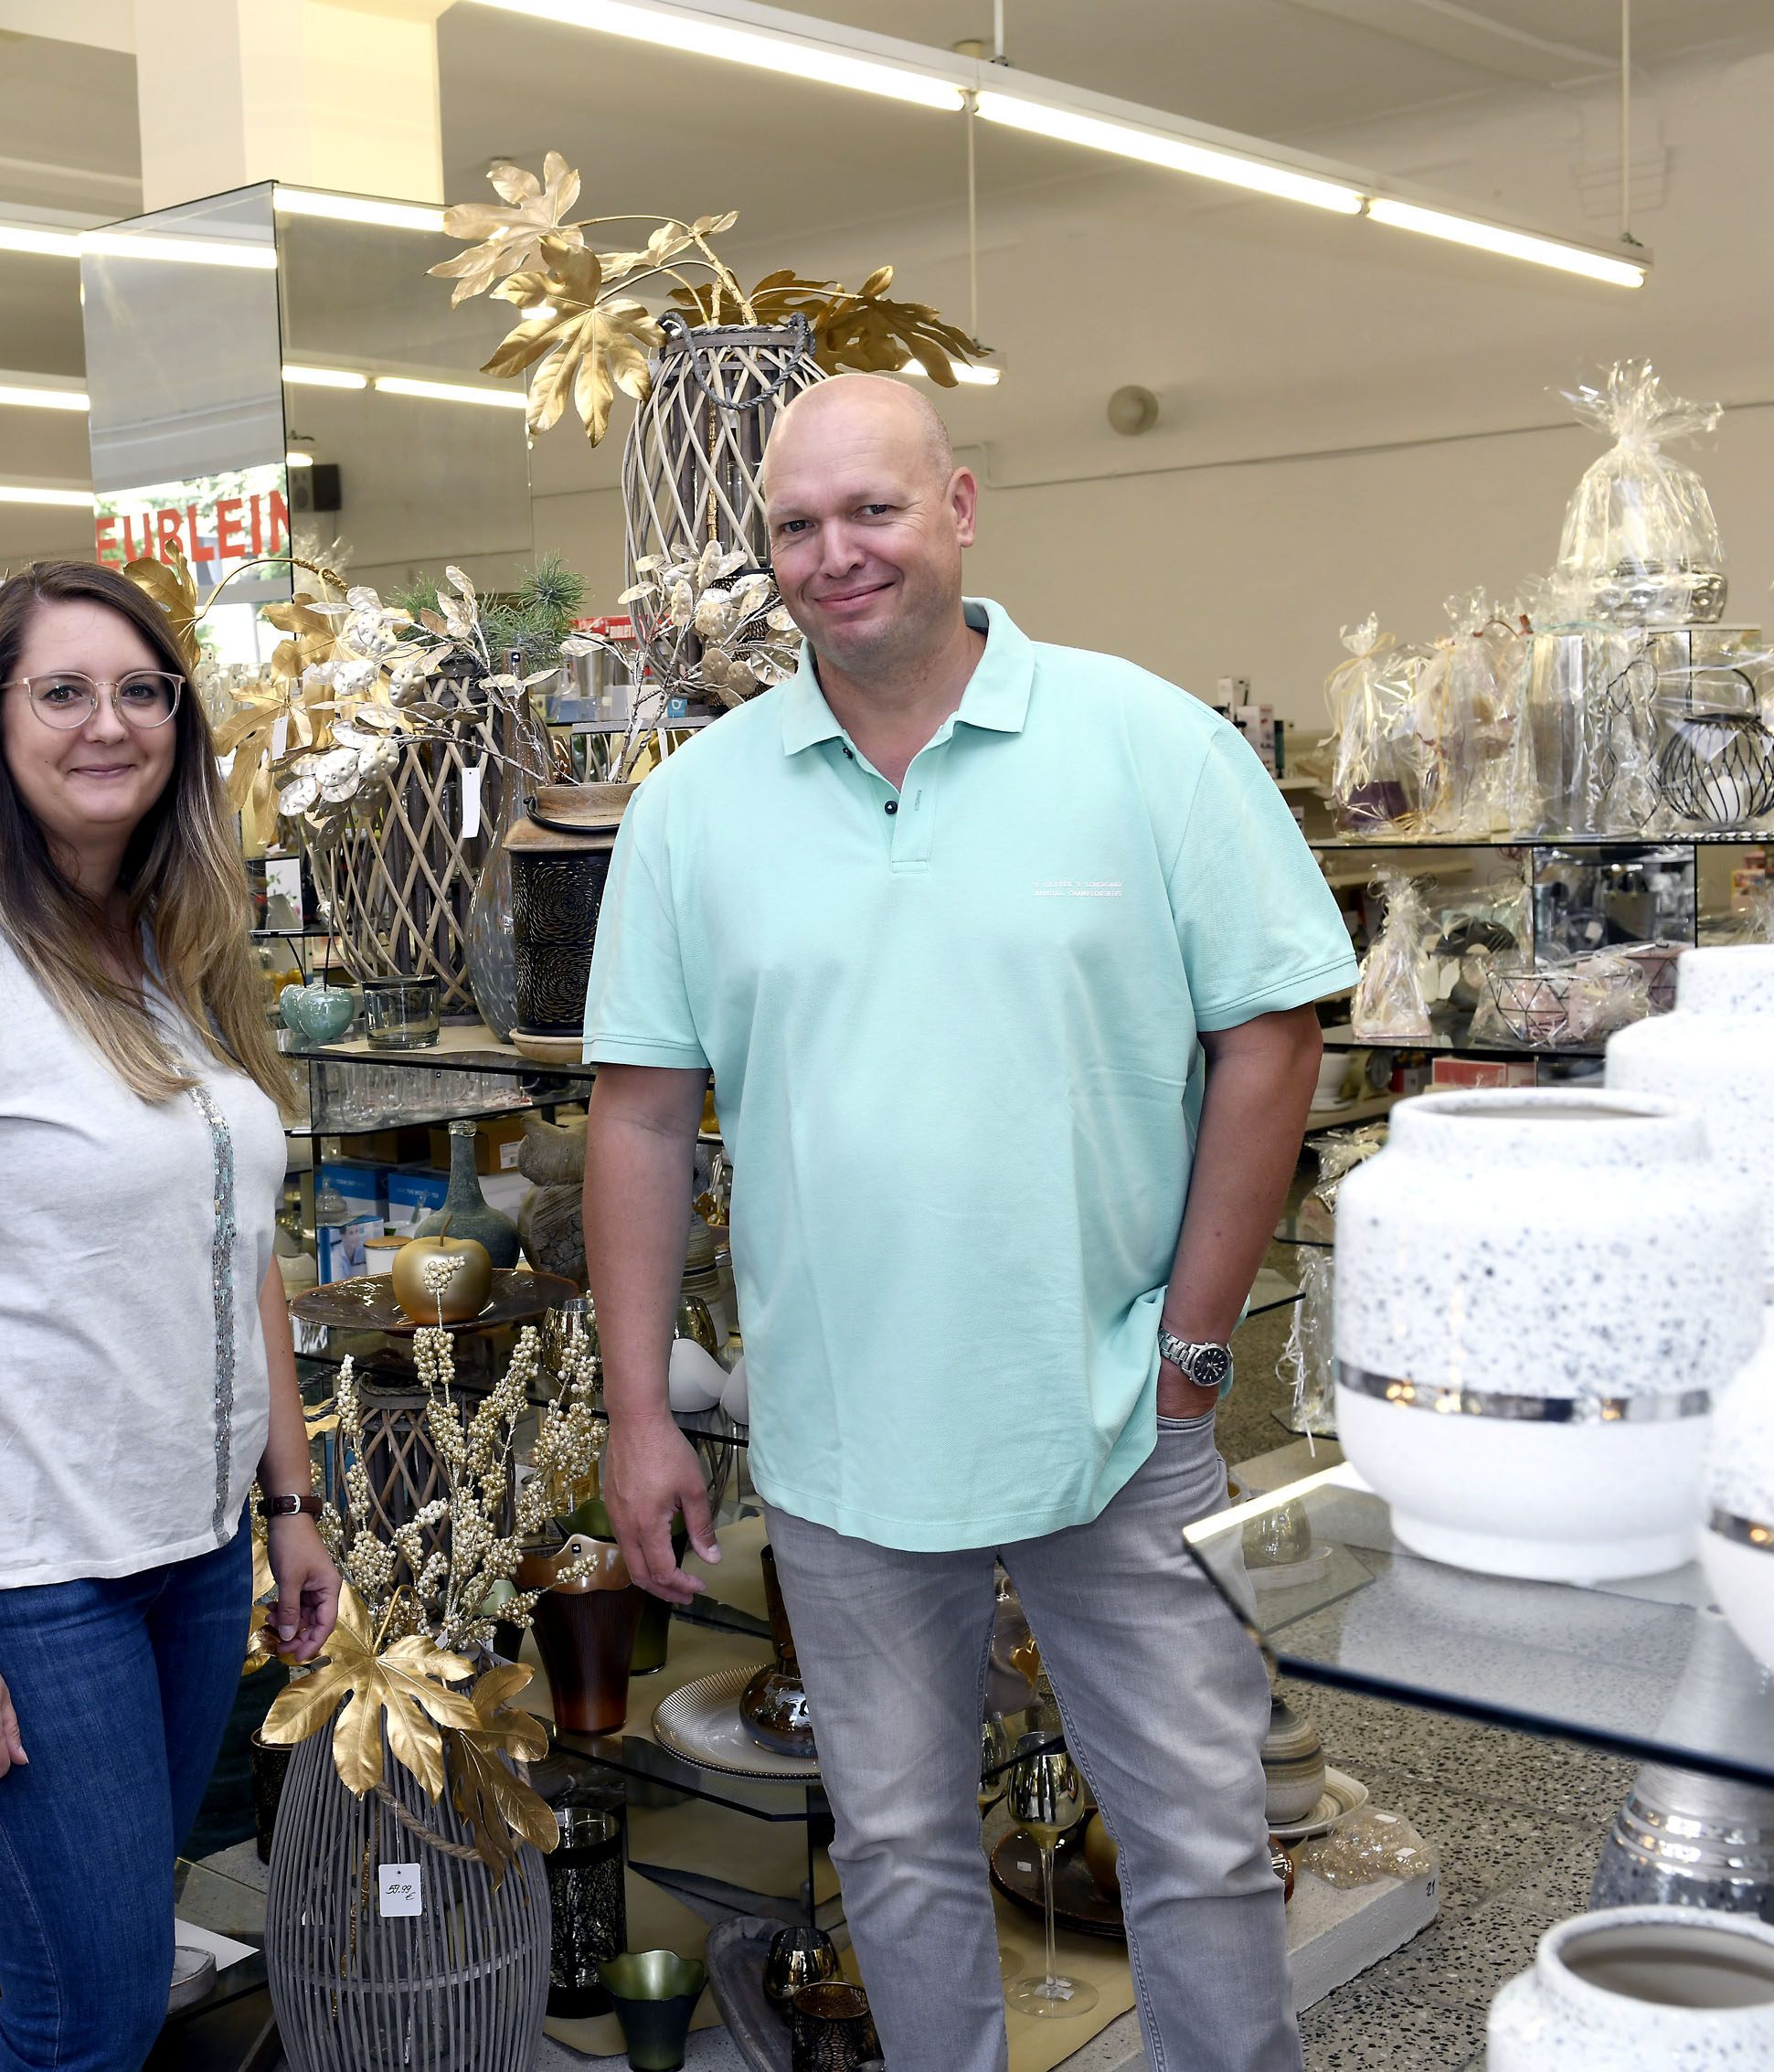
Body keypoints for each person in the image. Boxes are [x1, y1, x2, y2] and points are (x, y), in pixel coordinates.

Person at [583, 376, 1350, 2072]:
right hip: (845, 1432)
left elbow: (1273, 1035)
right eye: (797, 526)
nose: (836, 554)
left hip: (1124, 1414)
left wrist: (1200, 1341)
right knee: (904, 1853)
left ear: (962, 507)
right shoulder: (693, 808)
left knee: (1205, 1844)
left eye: (875, 510)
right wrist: (640, 1410)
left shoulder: (1146, 745)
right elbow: (636, 1113)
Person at [0, 560, 339, 2072]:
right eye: (64, 691)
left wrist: (290, 1505)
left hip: (179, 1552)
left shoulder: (172, 954)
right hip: (12, 1573)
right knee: (82, 2013)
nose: (111, 722)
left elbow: (243, 1256)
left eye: (142, 690)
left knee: (111, 1981)